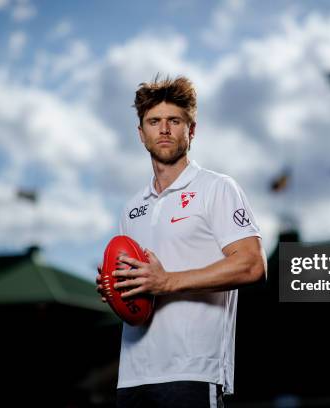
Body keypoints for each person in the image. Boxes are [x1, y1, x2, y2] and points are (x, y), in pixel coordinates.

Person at [96, 75, 267, 408]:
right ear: (140, 133)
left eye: (174, 121)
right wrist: (117, 288)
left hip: (193, 372)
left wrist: (167, 281)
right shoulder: (132, 208)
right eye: (154, 121)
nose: (163, 129)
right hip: (133, 375)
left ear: (191, 130)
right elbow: (137, 293)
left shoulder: (217, 188)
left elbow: (252, 264)